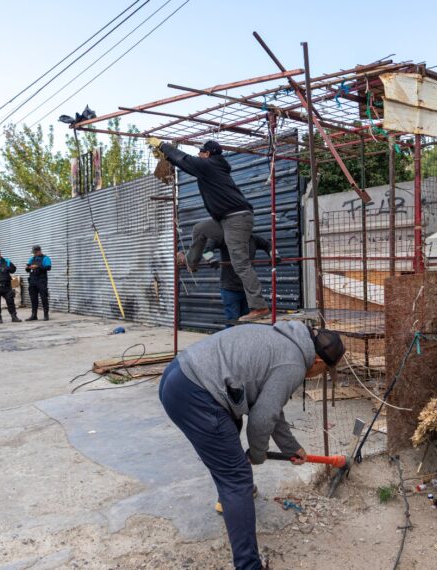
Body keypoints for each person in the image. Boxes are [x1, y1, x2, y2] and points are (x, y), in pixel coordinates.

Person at [158, 322, 346, 570]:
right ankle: (248, 564)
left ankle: (230, 498)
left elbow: (267, 406)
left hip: (179, 374)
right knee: (237, 478)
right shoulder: (293, 365)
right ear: (318, 364)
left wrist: (291, 447)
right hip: (196, 394)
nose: (317, 377)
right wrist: (256, 456)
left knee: (228, 435)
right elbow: (260, 420)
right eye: (323, 373)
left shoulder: (286, 338)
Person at [149, 137, 270, 321]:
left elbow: (185, 160)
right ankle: (190, 262)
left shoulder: (209, 165)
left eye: (201, 152)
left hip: (237, 218)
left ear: (207, 154)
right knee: (200, 228)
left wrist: (163, 145)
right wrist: (168, 155)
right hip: (225, 219)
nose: (198, 155)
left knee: (240, 264)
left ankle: (259, 307)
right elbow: (183, 162)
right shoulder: (212, 167)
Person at [182, 219, 274, 326]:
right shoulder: (227, 237)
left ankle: (241, 342)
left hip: (247, 289)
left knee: (247, 322)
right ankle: (230, 342)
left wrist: (274, 254)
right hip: (230, 288)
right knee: (233, 321)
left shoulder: (253, 238)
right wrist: (210, 259)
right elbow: (207, 249)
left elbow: (268, 245)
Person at [25, 245, 52, 321]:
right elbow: (27, 269)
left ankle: (46, 315)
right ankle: (34, 315)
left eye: (35, 252)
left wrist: (37, 266)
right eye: (34, 252)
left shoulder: (45, 258)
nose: (34, 254)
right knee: (33, 298)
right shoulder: (32, 259)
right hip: (32, 281)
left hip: (41, 281)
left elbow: (48, 267)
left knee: (44, 297)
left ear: (39, 251)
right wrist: (27, 268)